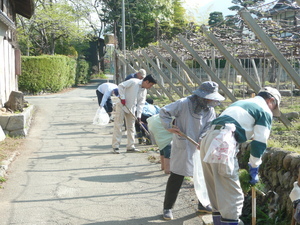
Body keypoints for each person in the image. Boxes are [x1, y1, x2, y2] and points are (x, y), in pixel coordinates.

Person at [199, 87, 281, 225]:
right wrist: (254, 167)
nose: (272, 111)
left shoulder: (241, 103)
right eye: (274, 107)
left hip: (209, 139)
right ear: (271, 100)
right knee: (233, 195)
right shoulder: (264, 110)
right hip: (223, 142)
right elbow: (259, 143)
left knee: (215, 189)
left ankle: (219, 222)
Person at [160, 81, 225, 220]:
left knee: (203, 175)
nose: (211, 101)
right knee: (177, 176)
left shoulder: (210, 110)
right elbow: (164, 111)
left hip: (199, 146)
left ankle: (203, 204)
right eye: (209, 98)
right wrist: (169, 127)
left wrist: (202, 139)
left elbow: (209, 126)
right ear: (201, 96)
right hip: (182, 145)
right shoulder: (183, 103)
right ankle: (167, 208)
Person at [112, 75, 157, 154]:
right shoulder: (133, 82)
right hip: (122, 105)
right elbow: (120, 86)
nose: (150, 87)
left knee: (131, 127)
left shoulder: (144, 91)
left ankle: (130, 146)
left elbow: (141, 104)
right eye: (150, 85)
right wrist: (122, 97)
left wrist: (139, 116)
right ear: (146, 81)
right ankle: (116, 146)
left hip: (132, 109)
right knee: (118, 125)